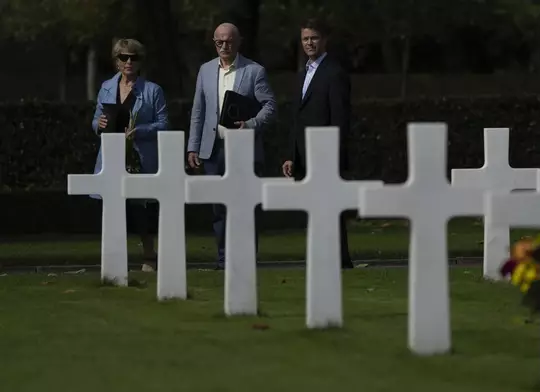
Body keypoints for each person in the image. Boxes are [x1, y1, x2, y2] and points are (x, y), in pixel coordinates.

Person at [188, 23, 277, 269]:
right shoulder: (205, 70)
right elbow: (199, 110)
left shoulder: (254, 71)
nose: (224, 47)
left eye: (228, 42)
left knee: (247, 205)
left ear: (238, 42)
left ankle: (247, 258)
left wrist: (249, 124)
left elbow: (270, 107)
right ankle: (224, 259)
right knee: (218, 208)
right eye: (219, 42)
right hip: (213, 149)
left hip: (243, 149)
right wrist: (192, 146)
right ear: (214, 42)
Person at [91, 38, 169, 272]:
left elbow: (164, 124)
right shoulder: (106, 87)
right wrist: (99, 123)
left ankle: (149, 256)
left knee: (141, 209)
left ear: (140, 62)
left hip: (140, 157)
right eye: (123, 57)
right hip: (111, 156)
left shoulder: (153, 91)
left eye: (134, 57)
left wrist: (141, 131)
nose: (128, 62)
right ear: (116, 61)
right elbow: (95, 120)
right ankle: (116, 257)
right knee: (113, 208)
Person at [281, 18, 353, 269]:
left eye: (314, 38)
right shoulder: (302, 75)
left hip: (326, 154)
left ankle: (340, 260)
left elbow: (340, 118)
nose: (309, 43)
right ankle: (321, 257)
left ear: (324, 40)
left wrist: (332, 153)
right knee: (313, 209)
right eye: (305, 39)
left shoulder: (335, 73)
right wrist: (292, 154)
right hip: (304, 152)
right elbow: (297, 117)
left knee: (331, 209)